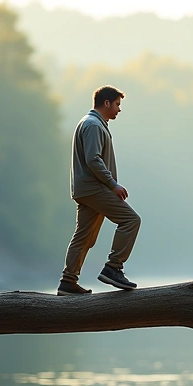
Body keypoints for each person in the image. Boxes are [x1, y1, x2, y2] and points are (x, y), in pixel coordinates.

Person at [57, 85, 141, 295]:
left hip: (85, 190)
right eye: (117, 105)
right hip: (95, 189)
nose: (119, 110)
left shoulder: (90, 123)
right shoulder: (94, 125)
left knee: (84, 237)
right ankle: (114, 268)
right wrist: (112, 184)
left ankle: (68, 281)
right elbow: (93, 160)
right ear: (106, 103)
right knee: (131, 220)